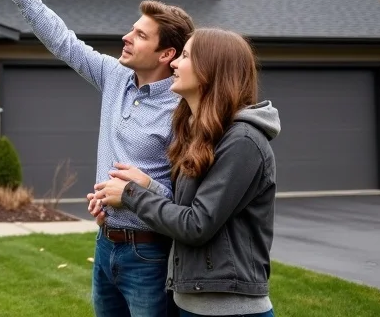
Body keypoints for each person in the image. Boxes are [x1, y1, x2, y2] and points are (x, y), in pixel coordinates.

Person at [0, 0, 194, 317]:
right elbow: (64, 41)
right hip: (105, 242)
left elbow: (187, 203)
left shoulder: (182, 109)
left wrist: (133, 190)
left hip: (151, 253)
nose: (126, 38)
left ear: (167, 54)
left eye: (140, 35)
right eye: (132, 29)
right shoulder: (115, 77)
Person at [92, 27, 280, 317]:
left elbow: (196, 225)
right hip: (193, 302)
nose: (175, 63)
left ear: (210, 70)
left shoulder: (242, 141)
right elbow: (186, 209)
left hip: (230, 308)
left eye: (185, 56)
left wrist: (131, 195)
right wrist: (148, 185)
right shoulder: (201, 134)